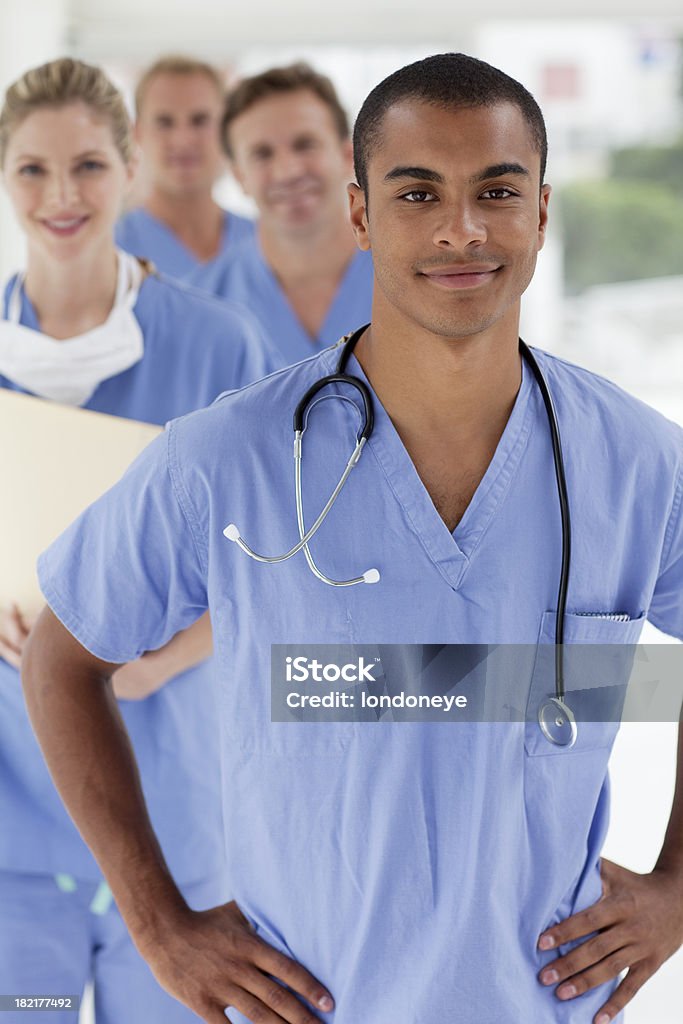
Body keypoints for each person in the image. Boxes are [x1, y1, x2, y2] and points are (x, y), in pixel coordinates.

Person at [23, 53, 683, 1024]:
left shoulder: (634, 461)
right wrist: (159, 924)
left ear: (540, 212)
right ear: (361, 214)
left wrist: (673, 888)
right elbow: (60, 658)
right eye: (417, 192)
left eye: (494, 191)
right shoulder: (226, 456)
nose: (461, 228)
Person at [0, 57, 273, 1023]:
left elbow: (270, 569)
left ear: (128, 168)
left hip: (176, 811)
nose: (61, 195)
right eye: (32, 169)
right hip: (13, 831)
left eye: (86, 165)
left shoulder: (219, 347)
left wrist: (163, 658)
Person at [196, 63, 373, 368]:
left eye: (305, 145)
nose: (288, 171)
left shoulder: (414, 281)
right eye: (262, 154)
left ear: (347, 156)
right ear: (239, 176)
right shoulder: (200, 305)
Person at [116, 55, 254, 284]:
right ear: (137, 133)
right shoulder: (110, 252)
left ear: (226, 128)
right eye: (165, 122)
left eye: (199, 120)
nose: (183, 140)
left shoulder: (264, 243)